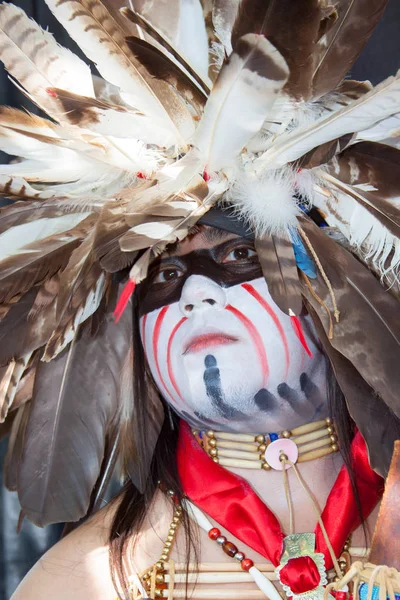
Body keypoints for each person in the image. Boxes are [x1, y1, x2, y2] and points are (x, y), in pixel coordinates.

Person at [1, 1, 399, 599]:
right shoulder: (84, 584)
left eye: (239, 256)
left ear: (339, 282)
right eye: (161, 272)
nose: (194, 293)